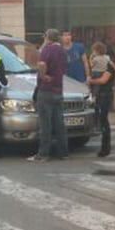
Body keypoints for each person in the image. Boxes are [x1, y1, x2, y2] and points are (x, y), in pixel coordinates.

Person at [29, 28, 68, 162]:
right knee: (59, 123)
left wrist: (43, 76)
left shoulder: (47, 49)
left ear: (47, 37)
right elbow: (63, 68)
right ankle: (63, 152)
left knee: (45, 124)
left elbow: (41, 64)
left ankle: (43, 153)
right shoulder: (62, 51)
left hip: (46, 90)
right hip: (58, 89)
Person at [87, 42, 115, 157]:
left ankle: (105, 148)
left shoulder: (108, 67)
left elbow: (103, 81)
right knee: (103, 121)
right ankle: (104, 146)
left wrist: (91, 81)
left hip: (104, 95)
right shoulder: (108, 64)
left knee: (104, 122)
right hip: (101, 95)